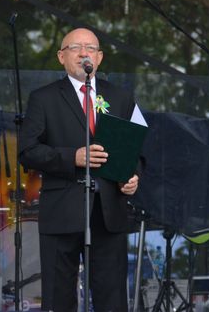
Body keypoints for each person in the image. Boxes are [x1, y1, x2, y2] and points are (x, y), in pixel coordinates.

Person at [19, 28, 140, 311]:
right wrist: (71, 157)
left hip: (109, 210)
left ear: (99, 57)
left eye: (90, 48)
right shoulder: (44, 98)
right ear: (62, 57)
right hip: (63, 208)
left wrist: (133, 177)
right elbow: (27, 151)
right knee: (59, 294)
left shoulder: (120, 97)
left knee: (112, 297)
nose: (84, 53)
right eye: (76, 47)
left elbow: (138, 151)